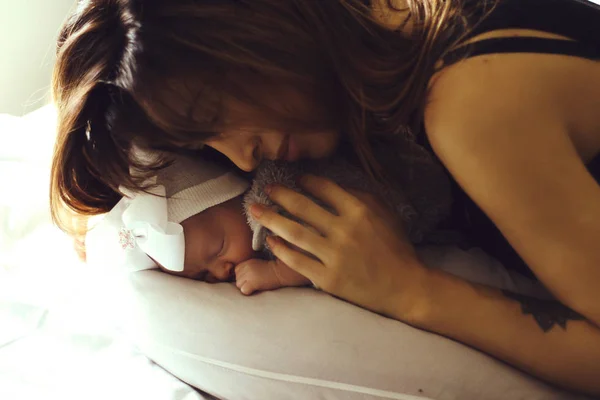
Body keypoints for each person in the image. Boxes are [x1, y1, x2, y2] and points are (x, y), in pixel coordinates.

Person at [49, 0, 600, 394]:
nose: (243, 160)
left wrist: (412, 290)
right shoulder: (384, 80)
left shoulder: (470, 102)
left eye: (214, 120)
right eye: (205, 146)